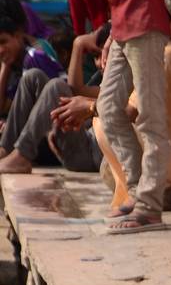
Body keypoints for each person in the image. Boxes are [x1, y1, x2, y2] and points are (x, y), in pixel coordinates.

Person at [95, 0, 170, 233]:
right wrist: (112, 31)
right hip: (122, 24)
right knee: (107, 108)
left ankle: (149, 208)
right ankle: (138, 190)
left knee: (151, 119)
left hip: (145, 23)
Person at [0, 23, 103, 175]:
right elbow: (76, 90)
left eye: (104, 55)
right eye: (96, 56)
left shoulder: (123, 84)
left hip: (88, 151)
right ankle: (6, 150)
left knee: (56, 86)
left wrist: (78, 44)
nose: (101, 62)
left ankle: (22, 155)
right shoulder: (101, 79)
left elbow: (74, 89)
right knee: (32, 77)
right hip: (70, 137)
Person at [0, 0, 64, 126]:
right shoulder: (14, 60)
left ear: (18, 33)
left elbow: (50, 106)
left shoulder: (34, 57)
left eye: (3, 41)